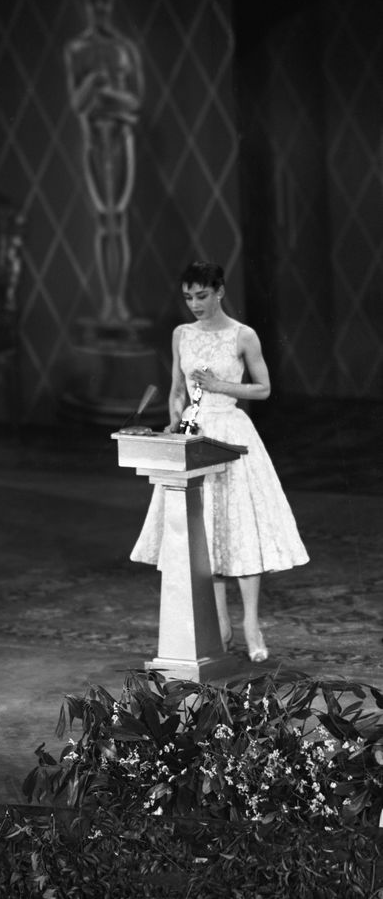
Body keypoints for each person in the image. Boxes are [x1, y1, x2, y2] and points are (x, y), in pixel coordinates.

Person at [129, 261, 309, 661]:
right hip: (196, 434)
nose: (194, 304)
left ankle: (250, 623)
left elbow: (262, 389)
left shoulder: (243, 335)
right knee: (203, 529)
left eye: (202, 295)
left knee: (240, 525)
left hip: (232, 430)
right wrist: (176, 416)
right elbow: (177, 387)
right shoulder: (181, 334)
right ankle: (221, 625)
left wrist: (219, 386)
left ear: (220, 291)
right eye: (189, 297)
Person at [65, 0, 144, 326]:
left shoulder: (124, 48)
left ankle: (119, 303)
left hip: (120, 137)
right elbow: (79, 103)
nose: (98, 7)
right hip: (96, 139)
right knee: (104, 222)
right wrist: (95, 87)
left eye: (103, 1)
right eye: (92, 1)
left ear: (110, 3)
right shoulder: (77, 50)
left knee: (119, 221)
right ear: (86, 4)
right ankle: (109, 304)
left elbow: (134, 101)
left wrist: (104, 92)